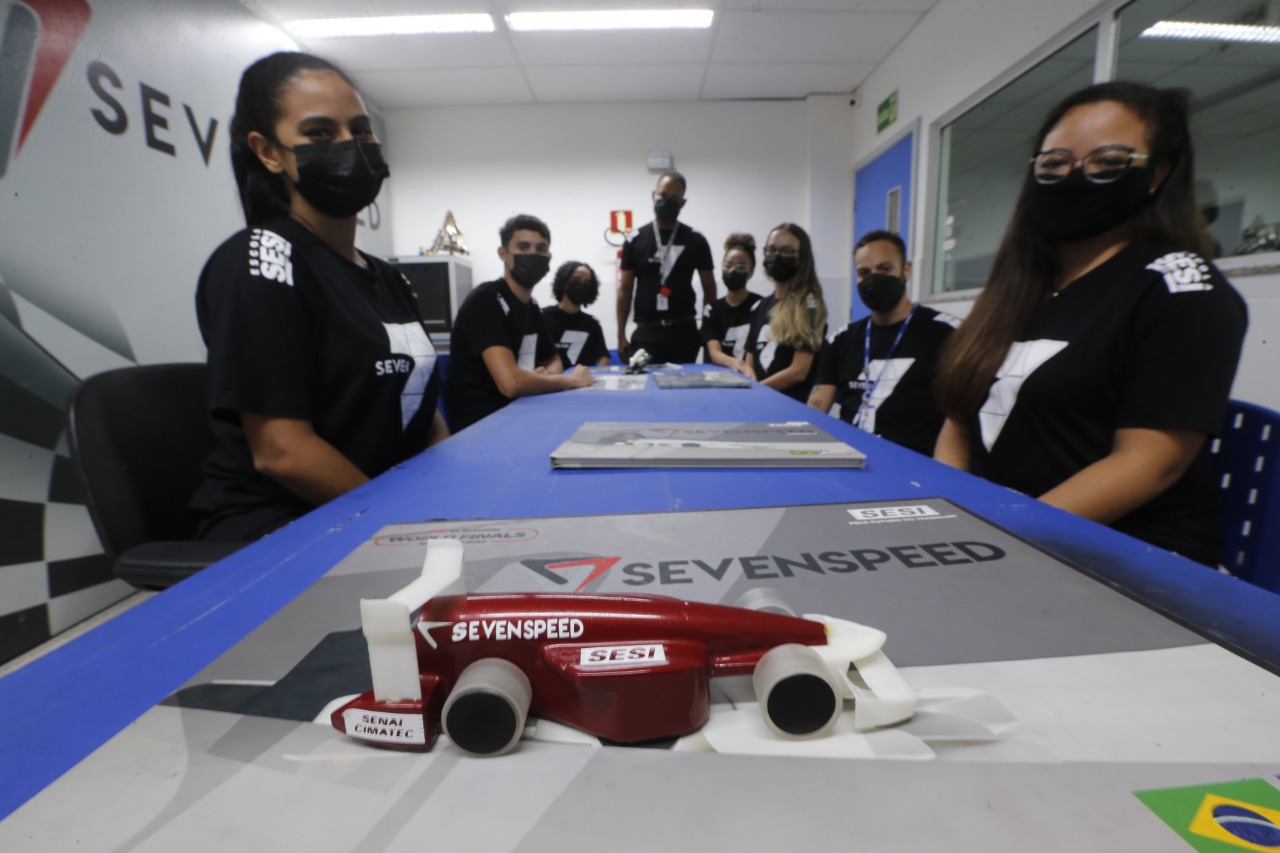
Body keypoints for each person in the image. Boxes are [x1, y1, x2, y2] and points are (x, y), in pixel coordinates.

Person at [933, 81, 1247, 567]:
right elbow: (959, 419)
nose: (1074, 177)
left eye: (1107, 162)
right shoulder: (1019, 289)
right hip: (1003, 545)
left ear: (1158, 174)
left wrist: (992, 543)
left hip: (1129, 560)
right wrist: (945, 517)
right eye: (1054, 164)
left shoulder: (1181, 288)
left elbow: (1150, 463)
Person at [191, 52, 448, 542]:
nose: (349, 146)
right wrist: (403, 530)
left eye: (360, 129)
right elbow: (281, 451)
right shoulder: (263, 259)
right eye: (320, 133)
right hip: (288, 527)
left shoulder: (387, 278)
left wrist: (449, 495)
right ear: (268, 152)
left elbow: (423, 415)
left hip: (379, 510)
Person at [808, 230, 957, 455]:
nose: (873, 279)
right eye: (864, 272)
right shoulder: (841, 339)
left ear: (906, 270)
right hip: (851, 460)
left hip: (914, 466)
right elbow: (816, 411)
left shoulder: (946, 334)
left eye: (885, 269)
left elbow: (960, 424)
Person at [445, 215, 592, 432]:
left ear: (548, 257)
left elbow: (554, 359)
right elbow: (510, 384)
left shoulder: (530, 307)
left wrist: (541, 378)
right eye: (523, 247)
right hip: (482, 427)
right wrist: (569, 381)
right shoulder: (485, 300)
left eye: (541, 248)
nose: (533, 254)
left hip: (521, 412)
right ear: (504, 254)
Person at [616, 170, 716, 363]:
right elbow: (625, 290)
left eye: (674, 198)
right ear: (653, 195)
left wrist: (706, 330)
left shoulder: (696, 239)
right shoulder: (634, 239)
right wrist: (620, 334)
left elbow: (709, 288)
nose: (666, 201)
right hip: (646, 332)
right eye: (662, 195)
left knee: (683, 392)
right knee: (646, 389)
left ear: (682, 203)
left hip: (684, 331)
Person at [742, 223, 828, 402]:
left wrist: (757, 390)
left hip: (791, 405)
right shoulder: (761, 305)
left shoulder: (809, 305)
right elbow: (750, 358)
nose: (777, 256)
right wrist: (748, 377)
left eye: (787, 251)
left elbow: (799, 372)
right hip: (760, 401)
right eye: (771, 249)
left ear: (802, 258)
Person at [702, 232, 763, 374]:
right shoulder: (712, 310)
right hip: (720, 378)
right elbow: (715, 353)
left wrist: (747, 370)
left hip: (753, 376)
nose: (733, 270)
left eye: (741, 267)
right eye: (728, 265)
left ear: (751, 271)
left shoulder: (761, 305)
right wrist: (739, 365)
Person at [542, 261, 612, 369]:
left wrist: (597, 374)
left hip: (583, 382)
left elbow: (603, 357)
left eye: (587, 282)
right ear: (564, 282)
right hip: (550, 382)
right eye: (577, 279)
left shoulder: (592, 324)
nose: (582, 284)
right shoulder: (543, 317)